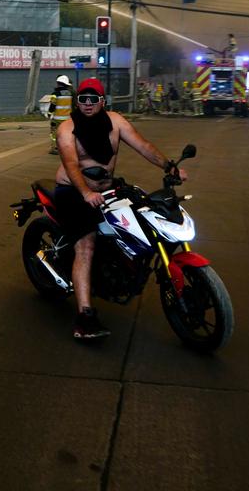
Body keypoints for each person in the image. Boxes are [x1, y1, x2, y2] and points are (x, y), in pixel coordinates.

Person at [54, 78, 187, 340]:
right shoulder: (67, 129)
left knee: (140, 215)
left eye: (94, 99)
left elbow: (144, 146)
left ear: (102, 101)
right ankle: (84, 318)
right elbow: (71, 164)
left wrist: (169, 167)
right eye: (83, 99)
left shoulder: (116, 122)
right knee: (86, 245)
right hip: (73, 191)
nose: (88, 104)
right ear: (77, 101)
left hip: (105, 188)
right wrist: (86, 193)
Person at [47, 75, 74, 154]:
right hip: (67, 119)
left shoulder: (55, 94)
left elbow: (52, 106)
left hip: (57, 118)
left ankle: (55, 148)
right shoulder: (70, 94)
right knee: (66, 134)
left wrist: (49, 114)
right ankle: (66, 148)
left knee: (54, 134)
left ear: (58, 83)